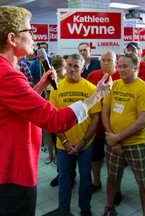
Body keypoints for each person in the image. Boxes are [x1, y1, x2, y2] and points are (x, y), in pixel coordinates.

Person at [0, 6, 112, 216]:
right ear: (13, 38)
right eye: (29, 30)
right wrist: (97, 96)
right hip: (10, 169)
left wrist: (40, 86)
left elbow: (16, 106)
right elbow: (56, 120)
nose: (34, 36)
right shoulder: (7, 75)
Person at [101, 52, 145, 216]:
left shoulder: (144, 89)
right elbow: (105, 111)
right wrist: (112, 138)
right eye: (119, 66)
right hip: (113, 143)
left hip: (136, 144)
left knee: (144, 183)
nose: (121, 70)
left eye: (125, 66)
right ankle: (109, 208)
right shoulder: (114, 85)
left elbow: (142, 120)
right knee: (112, 178)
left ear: (136, 67)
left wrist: (117, 137)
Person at [49, 53, 102, 216]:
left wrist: (83, 141)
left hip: (85, 144)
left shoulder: (91, 89)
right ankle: (63, 209)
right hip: (63, 144)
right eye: (69, 65)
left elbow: (96, 118)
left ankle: (85, 208)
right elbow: (53, 119)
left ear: (83, 68)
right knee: (65, 179)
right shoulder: (57, 88)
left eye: (76, 66)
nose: (72, 69)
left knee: (85, 178)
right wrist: (64, 141)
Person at [86, 50, 120, 196]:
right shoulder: (92, 76)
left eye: (109, 60)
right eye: (103, 60)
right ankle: (96, 181)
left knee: (116, 162)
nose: (106, 62)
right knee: (96, 157)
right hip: (97, 125)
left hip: (116, 126)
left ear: (115, 62)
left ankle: (116, 188)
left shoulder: (121, 76)